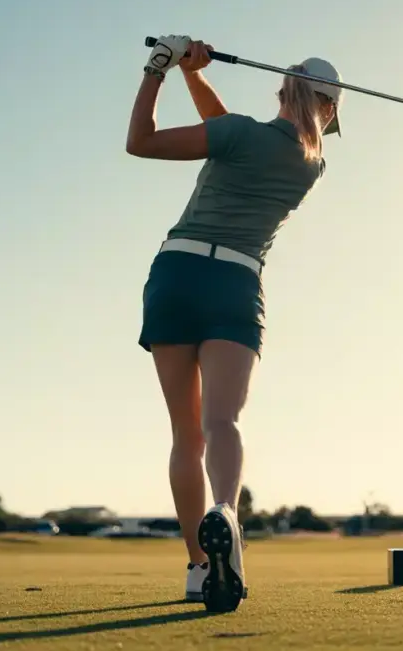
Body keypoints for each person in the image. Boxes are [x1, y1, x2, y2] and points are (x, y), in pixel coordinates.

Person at [125, 34, 343, 613]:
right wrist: (196, 76)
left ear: (281, 89)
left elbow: (140, 142)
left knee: (185, 436)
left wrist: (161, 69)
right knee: (223, 423)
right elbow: (227, 130)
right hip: (236, 285)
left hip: (177, 274)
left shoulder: (239, 135)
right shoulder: (311, 164)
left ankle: (200, 565)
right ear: (330, 111)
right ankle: (227, 512)